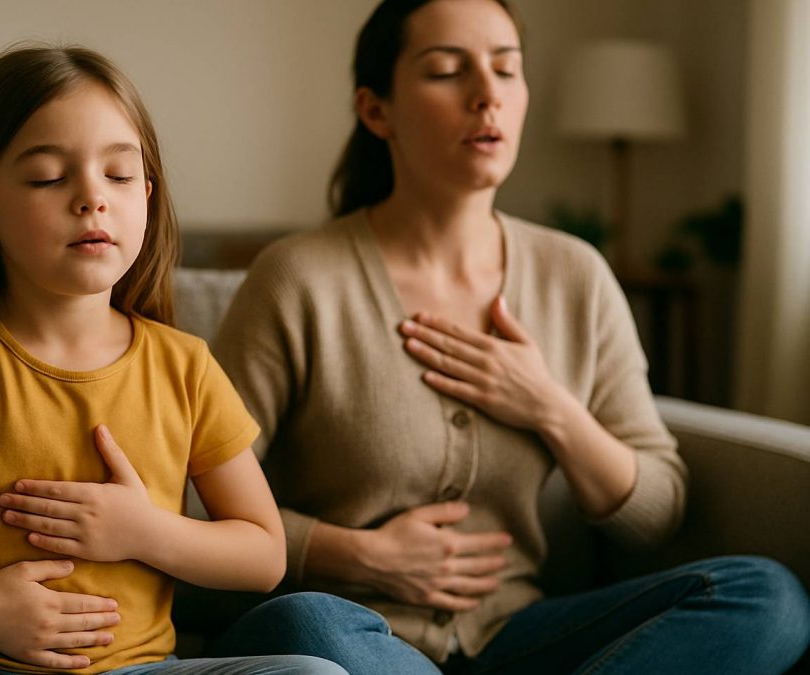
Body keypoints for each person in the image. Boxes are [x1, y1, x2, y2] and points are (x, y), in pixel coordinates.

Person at [210, 1, 810, 673]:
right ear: (377, 110)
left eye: (506, 69)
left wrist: (549, 405)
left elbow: (657, 511)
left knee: (767, 596)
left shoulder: (576, 275)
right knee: (306, 622)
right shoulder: (298, 279)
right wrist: (353, 552)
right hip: (356, 633)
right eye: (446, 71)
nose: (487, 94)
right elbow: (195, 501)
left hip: (518, 635)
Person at [0, 45, 347, 675]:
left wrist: (144, 531)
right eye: (49, 176)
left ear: (147, 199)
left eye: (120, 176)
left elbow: (262, 555)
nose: (91, 198)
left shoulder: (186, 366)